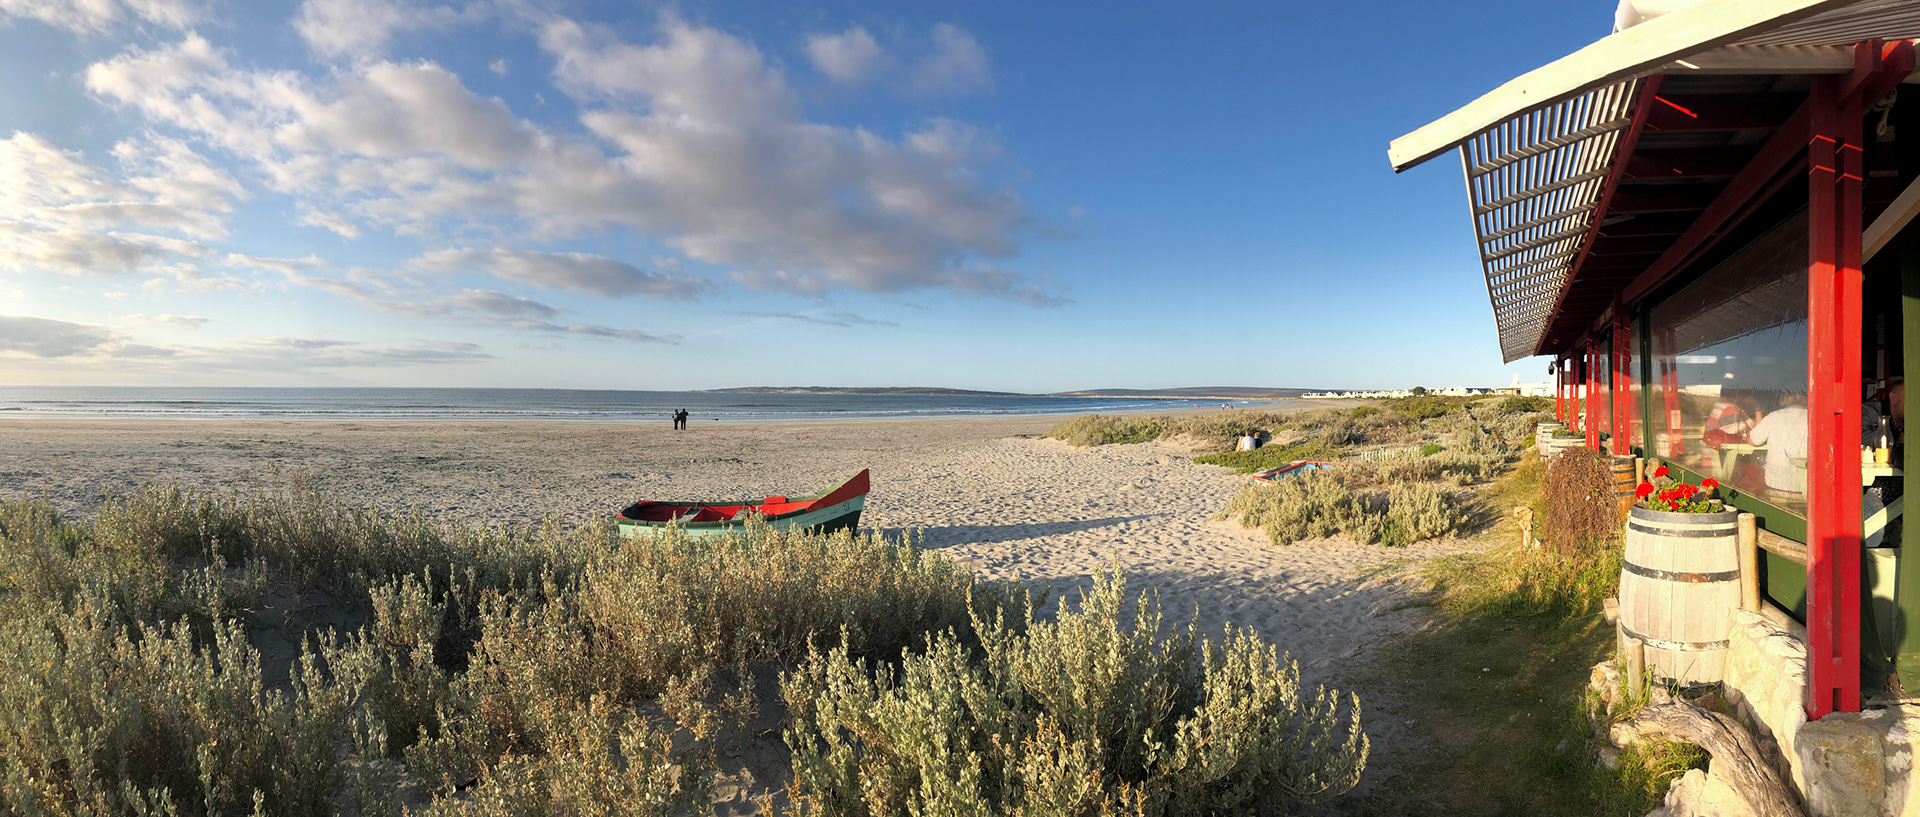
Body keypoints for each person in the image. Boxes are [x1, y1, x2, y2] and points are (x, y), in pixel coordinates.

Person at [1748, 391, 1809, 495]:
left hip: (1776, 485)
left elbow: (1752, 441)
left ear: (1783, 398)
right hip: (1809, 488)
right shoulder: (1816, 417)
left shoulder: (1774, 417)